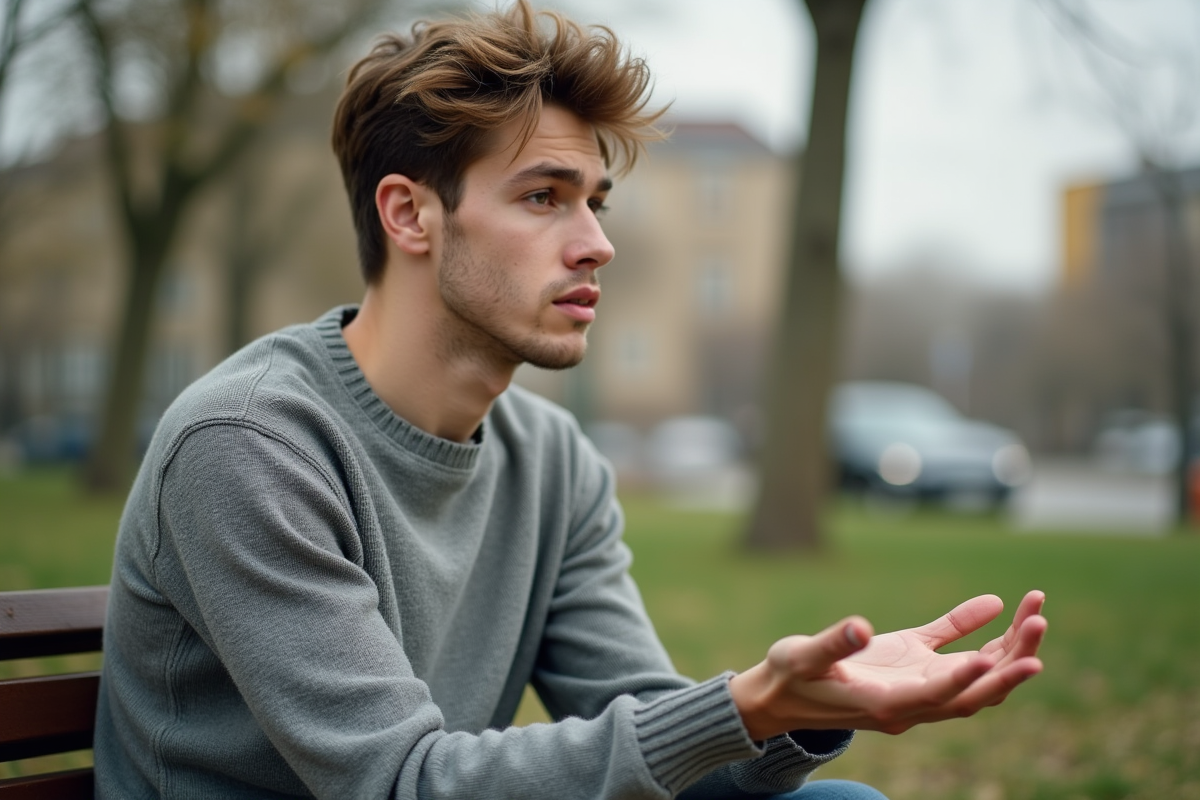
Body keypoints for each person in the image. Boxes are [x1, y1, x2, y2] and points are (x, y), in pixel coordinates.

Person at [93, 2, 1047, 798]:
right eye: (544, 197)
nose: (597, 242)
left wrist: (785, 710)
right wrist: (741, 705)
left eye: (596, 201)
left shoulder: (553, 463)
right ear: (410, 213)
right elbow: (400, 783)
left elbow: (660, 742)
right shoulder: (250, 444)